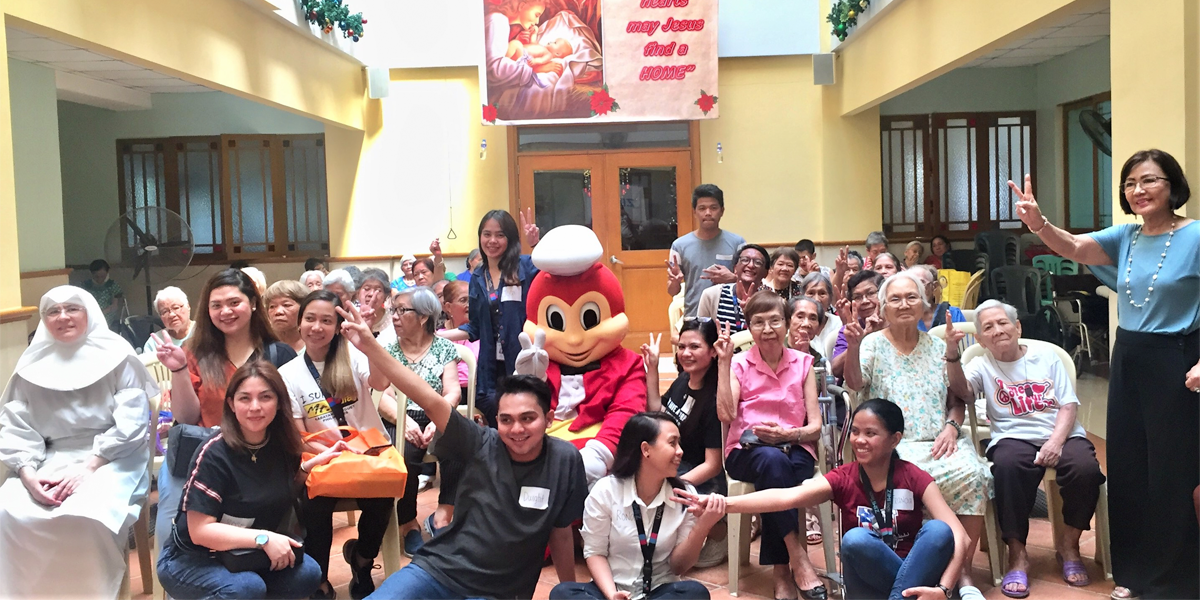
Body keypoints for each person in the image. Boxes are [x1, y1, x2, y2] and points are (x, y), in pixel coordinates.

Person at [1010, 148, 1199, 599]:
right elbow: (1073, 246)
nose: (1139, 190)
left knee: (1171, 471)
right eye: (1131, 183)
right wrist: (1038, 222)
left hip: (1177, 358)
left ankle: (1175, 579)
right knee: (1131, 467)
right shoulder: (1127, 236)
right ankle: (1133, 572)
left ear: (1172, 185)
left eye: (1150, 180)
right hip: (1130, 356)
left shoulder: (1195, 235)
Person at [336, 302, 586, 600]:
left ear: (549, 418)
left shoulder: (565, 460)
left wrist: (568, 590)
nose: (516, 429)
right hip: (438, 569)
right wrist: (371, 347)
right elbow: (428, 398)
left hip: (497, 591)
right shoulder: (480, 441)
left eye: (528, 418)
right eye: (506, 420)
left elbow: (560, 531)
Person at [676, 399, 972, 600]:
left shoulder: (914, 476)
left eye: (871, 433)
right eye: (855, 432)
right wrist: (722, 504)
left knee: (939, 531)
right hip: (866, 585)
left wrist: (944, 590)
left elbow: (960, 537)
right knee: (856, 540)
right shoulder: (844, 476)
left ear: (895, 439)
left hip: (915, 579)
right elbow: (786, 497)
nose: (859, 440)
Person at [0, 286, 157, 598]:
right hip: (47, 458)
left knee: (86, 514)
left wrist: (89, 467)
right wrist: (29, 476)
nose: (63, 317)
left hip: (113, 459)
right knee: (10, 510)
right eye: (52, 311)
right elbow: (14, 426)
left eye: (72, 308)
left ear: (90, 313)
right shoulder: (30, 366)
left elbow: (131, 426)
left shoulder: (119, 357)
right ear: (44, 320)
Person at [843, 270, 992, 593]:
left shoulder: (937, 345)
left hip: (938, 440)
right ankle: (913, 568)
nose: (904, 304)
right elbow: (855, 385)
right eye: (894, 299)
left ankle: (962, 572)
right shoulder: (872, 344)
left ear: (925, 305)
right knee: (908, 476)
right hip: (891, 446)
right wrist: (853, 348)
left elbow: (958, 398)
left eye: (912, 297)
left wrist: (952, 427)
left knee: (972, 473)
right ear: (883, 308)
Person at [947, 300, 1106, 597]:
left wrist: (1056, 442)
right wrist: (953, 355)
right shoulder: (981, 363)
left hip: (1062, 433)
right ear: (980, 339)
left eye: (1003, 323)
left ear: (1017, 327)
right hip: (1012, 437)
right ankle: (1017, 554)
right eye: (988, 328)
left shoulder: (1047, 355)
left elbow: (1068, 405)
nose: (997, 331)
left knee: (1085, 470)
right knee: (1007, 469)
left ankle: (1069, 546)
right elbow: (962, 393)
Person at [156, 361, 332, 600]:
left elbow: (277, 496)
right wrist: (264, 539)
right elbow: (199, 532)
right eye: (245, 398)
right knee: (246, 588)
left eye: (266, 397)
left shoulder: (283, 446)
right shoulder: (213, 453)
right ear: (231, 404)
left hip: (245, 553)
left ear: (280, 403)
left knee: (308, 574)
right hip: (192, 557)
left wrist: (304, 469)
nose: (255, 407)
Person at [151, 269, 298, 553]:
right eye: (216, 305)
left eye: (234, 302)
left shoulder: (279, 354)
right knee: (174, 529)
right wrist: (180, 369)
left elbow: (291, 415)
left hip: (263, 459)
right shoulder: (195, 353)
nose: (225, 312)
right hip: (206, 457)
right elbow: (186, 417)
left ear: (253, 303)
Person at [279, 290, 393, 599]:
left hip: (369, 453)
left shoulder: (354, 355)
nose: (317, 327)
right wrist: (331, 453)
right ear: (299, 323)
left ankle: (362, 559)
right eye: (310, 319)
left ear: (337, 325)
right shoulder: (287, 374)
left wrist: (368, 342)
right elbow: (298, 433)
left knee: (383, 498)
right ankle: (320, 579)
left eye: (326, 321)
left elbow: (382, 383)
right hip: (323, 460)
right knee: (314, 509)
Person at [716, 292, 826, 600]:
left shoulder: (804, 364)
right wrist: (723, 364)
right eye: (758, 322)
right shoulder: (738, 363)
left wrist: (787, 437)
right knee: (771, 463)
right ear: (749, 328)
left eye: (775, 320)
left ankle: (782, 569)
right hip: (745, 451)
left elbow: (814, 428)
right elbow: (725, 415)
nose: (767, 329)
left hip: (795, 449)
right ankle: (796, 558)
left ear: (788, 324)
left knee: (777, 466)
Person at [549, 413, 721, 600]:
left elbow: (679, 567)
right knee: (563, 593)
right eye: (672, 443)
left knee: (695, 593)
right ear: (646, 449)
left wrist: (702, 526)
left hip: (660, 591)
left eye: (679, 444)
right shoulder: (605, 491)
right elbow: (595, 552)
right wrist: (612, 594)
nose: (680, 451)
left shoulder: (684, 495)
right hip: (610, 589)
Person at [641, 318, 728, 567]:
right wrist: (653, 368)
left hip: (705, 476)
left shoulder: (714, 397)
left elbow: (713, 465)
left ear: (713, 351)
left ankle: (719, 531)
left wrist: (673, 483)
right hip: (677, 463)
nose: (685, 353)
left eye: (694, 347)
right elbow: (658, 412)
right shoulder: (683, 381)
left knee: (652, 485)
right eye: (681, 347)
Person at [383, 286, 463, 553]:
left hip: (436, 413)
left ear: (423, 317)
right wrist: (405, 420)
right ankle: (409, 524)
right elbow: (382, 395)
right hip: (399, 415)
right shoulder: (387, 349)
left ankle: (443, 515)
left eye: (401, 310)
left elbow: (453, 391)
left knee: (457, 445)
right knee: (403, 456)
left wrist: (435, 417)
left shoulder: (443, 348)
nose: (394, 316)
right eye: (393, 310)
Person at [459, 208, 540, 426]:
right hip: (491, 368)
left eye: (500, 235)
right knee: (497, 417)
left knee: (525, 417)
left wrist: (536, 245)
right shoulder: (477, 276)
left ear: (510, 239)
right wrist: (435, 335)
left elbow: (551, 274)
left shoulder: (525, 266)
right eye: (487, 234)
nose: (492, 240)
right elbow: (474, 327)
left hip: (522, 360)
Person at [667, 184, 746, 317]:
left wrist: (733, 278)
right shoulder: (679, 246)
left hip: (730, 317)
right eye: (702, 208)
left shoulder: (738, 243)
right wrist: (675, 281)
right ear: (694, 211)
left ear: (722, 211)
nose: (708, 213)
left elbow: (750, 285)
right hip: (694, 317)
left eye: (713, 208)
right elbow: (672, 291)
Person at [696, 243, 769, 332]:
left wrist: (749, 314)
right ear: (735, 268)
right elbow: (702, 334)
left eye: (758, 262)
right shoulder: (711, 295)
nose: (751, 265)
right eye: (745, 260)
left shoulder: (770, 300)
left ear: (766, 273)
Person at [831, 270, 885, 380]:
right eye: (858, 297)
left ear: (884, 294)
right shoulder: (850, 329)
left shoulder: (897, 325)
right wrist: (860, 340)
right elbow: (836, 370)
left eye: (870, 293)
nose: (865, 301)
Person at [439, 280, 478, 399]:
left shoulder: (482, 333)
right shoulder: (438, 336)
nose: (469, 305)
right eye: (463, 300)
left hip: (477, 393)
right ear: (448, 307)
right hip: (445, 393)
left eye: (472, 299)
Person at [909, 265, 965, 333]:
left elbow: (966, 342)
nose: (916, 289)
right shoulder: (905, 316)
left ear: (934, 286)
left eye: (921, 283)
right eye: (911, 284)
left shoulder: (953, 313)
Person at [800, 272, 843, 354]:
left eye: (822, 293)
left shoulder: (839, 323)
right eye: (811, 293)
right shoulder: (796, 324)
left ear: (830, 298)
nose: (816, 299)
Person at [145, 285, 194, 354]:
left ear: (188, 306)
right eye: (164, 312)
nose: (171, 315)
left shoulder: (206, 331)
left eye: (176, 308)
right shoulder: (154, 342)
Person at [357, 268, 397, 348]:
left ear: (386, 296)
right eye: (367, 289)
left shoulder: (394, 321)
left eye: (378, 290)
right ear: (357, 293)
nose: (371, 294)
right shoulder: (349, 319)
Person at [264, 279, 307, 354]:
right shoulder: (263, 348)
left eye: (286, 305)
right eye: (272, 307)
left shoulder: (316, 346)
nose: (278, 312)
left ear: (304, 308)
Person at [82, 258, 124, 328]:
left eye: (102, 276)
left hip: (107, 317)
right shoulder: (85, 285)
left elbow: (114, 306)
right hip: (89, 316)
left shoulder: (112, 285)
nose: (99, 279)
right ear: (91, 274)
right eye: (96, 277)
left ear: (107, 273)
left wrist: (102, 312)